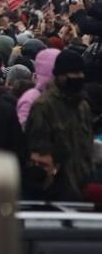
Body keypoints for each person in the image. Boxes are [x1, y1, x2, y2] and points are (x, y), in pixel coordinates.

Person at [26, 49, 94, 193]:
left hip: (83, 184)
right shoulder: (44, 106)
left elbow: (87, 145)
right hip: (54, 187)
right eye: (74, 73)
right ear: (60, 75)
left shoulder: (83, 106)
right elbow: (37, 148)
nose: (79, 77)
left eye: (81, 73)